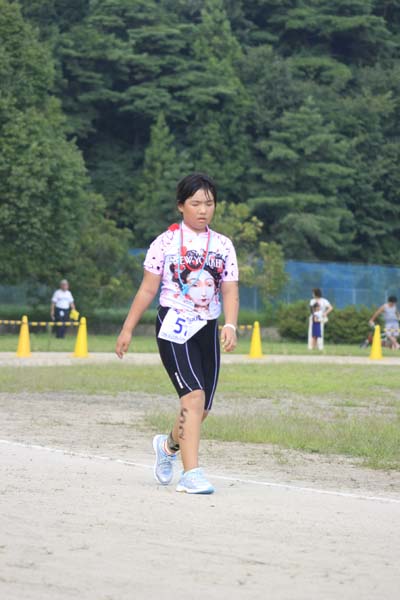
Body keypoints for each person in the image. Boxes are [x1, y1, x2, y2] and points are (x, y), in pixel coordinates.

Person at [115, 173, 239, 495]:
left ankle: (168, 445)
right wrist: (127, 329)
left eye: (209, 203)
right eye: (196, 203)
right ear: (181, 206)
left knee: (202, 408)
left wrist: (230, 324)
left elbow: (229, 289)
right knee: (193, 398)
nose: (203, 210)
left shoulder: (223, 245)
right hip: (174, 325)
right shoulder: (165, 243)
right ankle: (191, 474)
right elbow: (147, 289)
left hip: (207, 327)